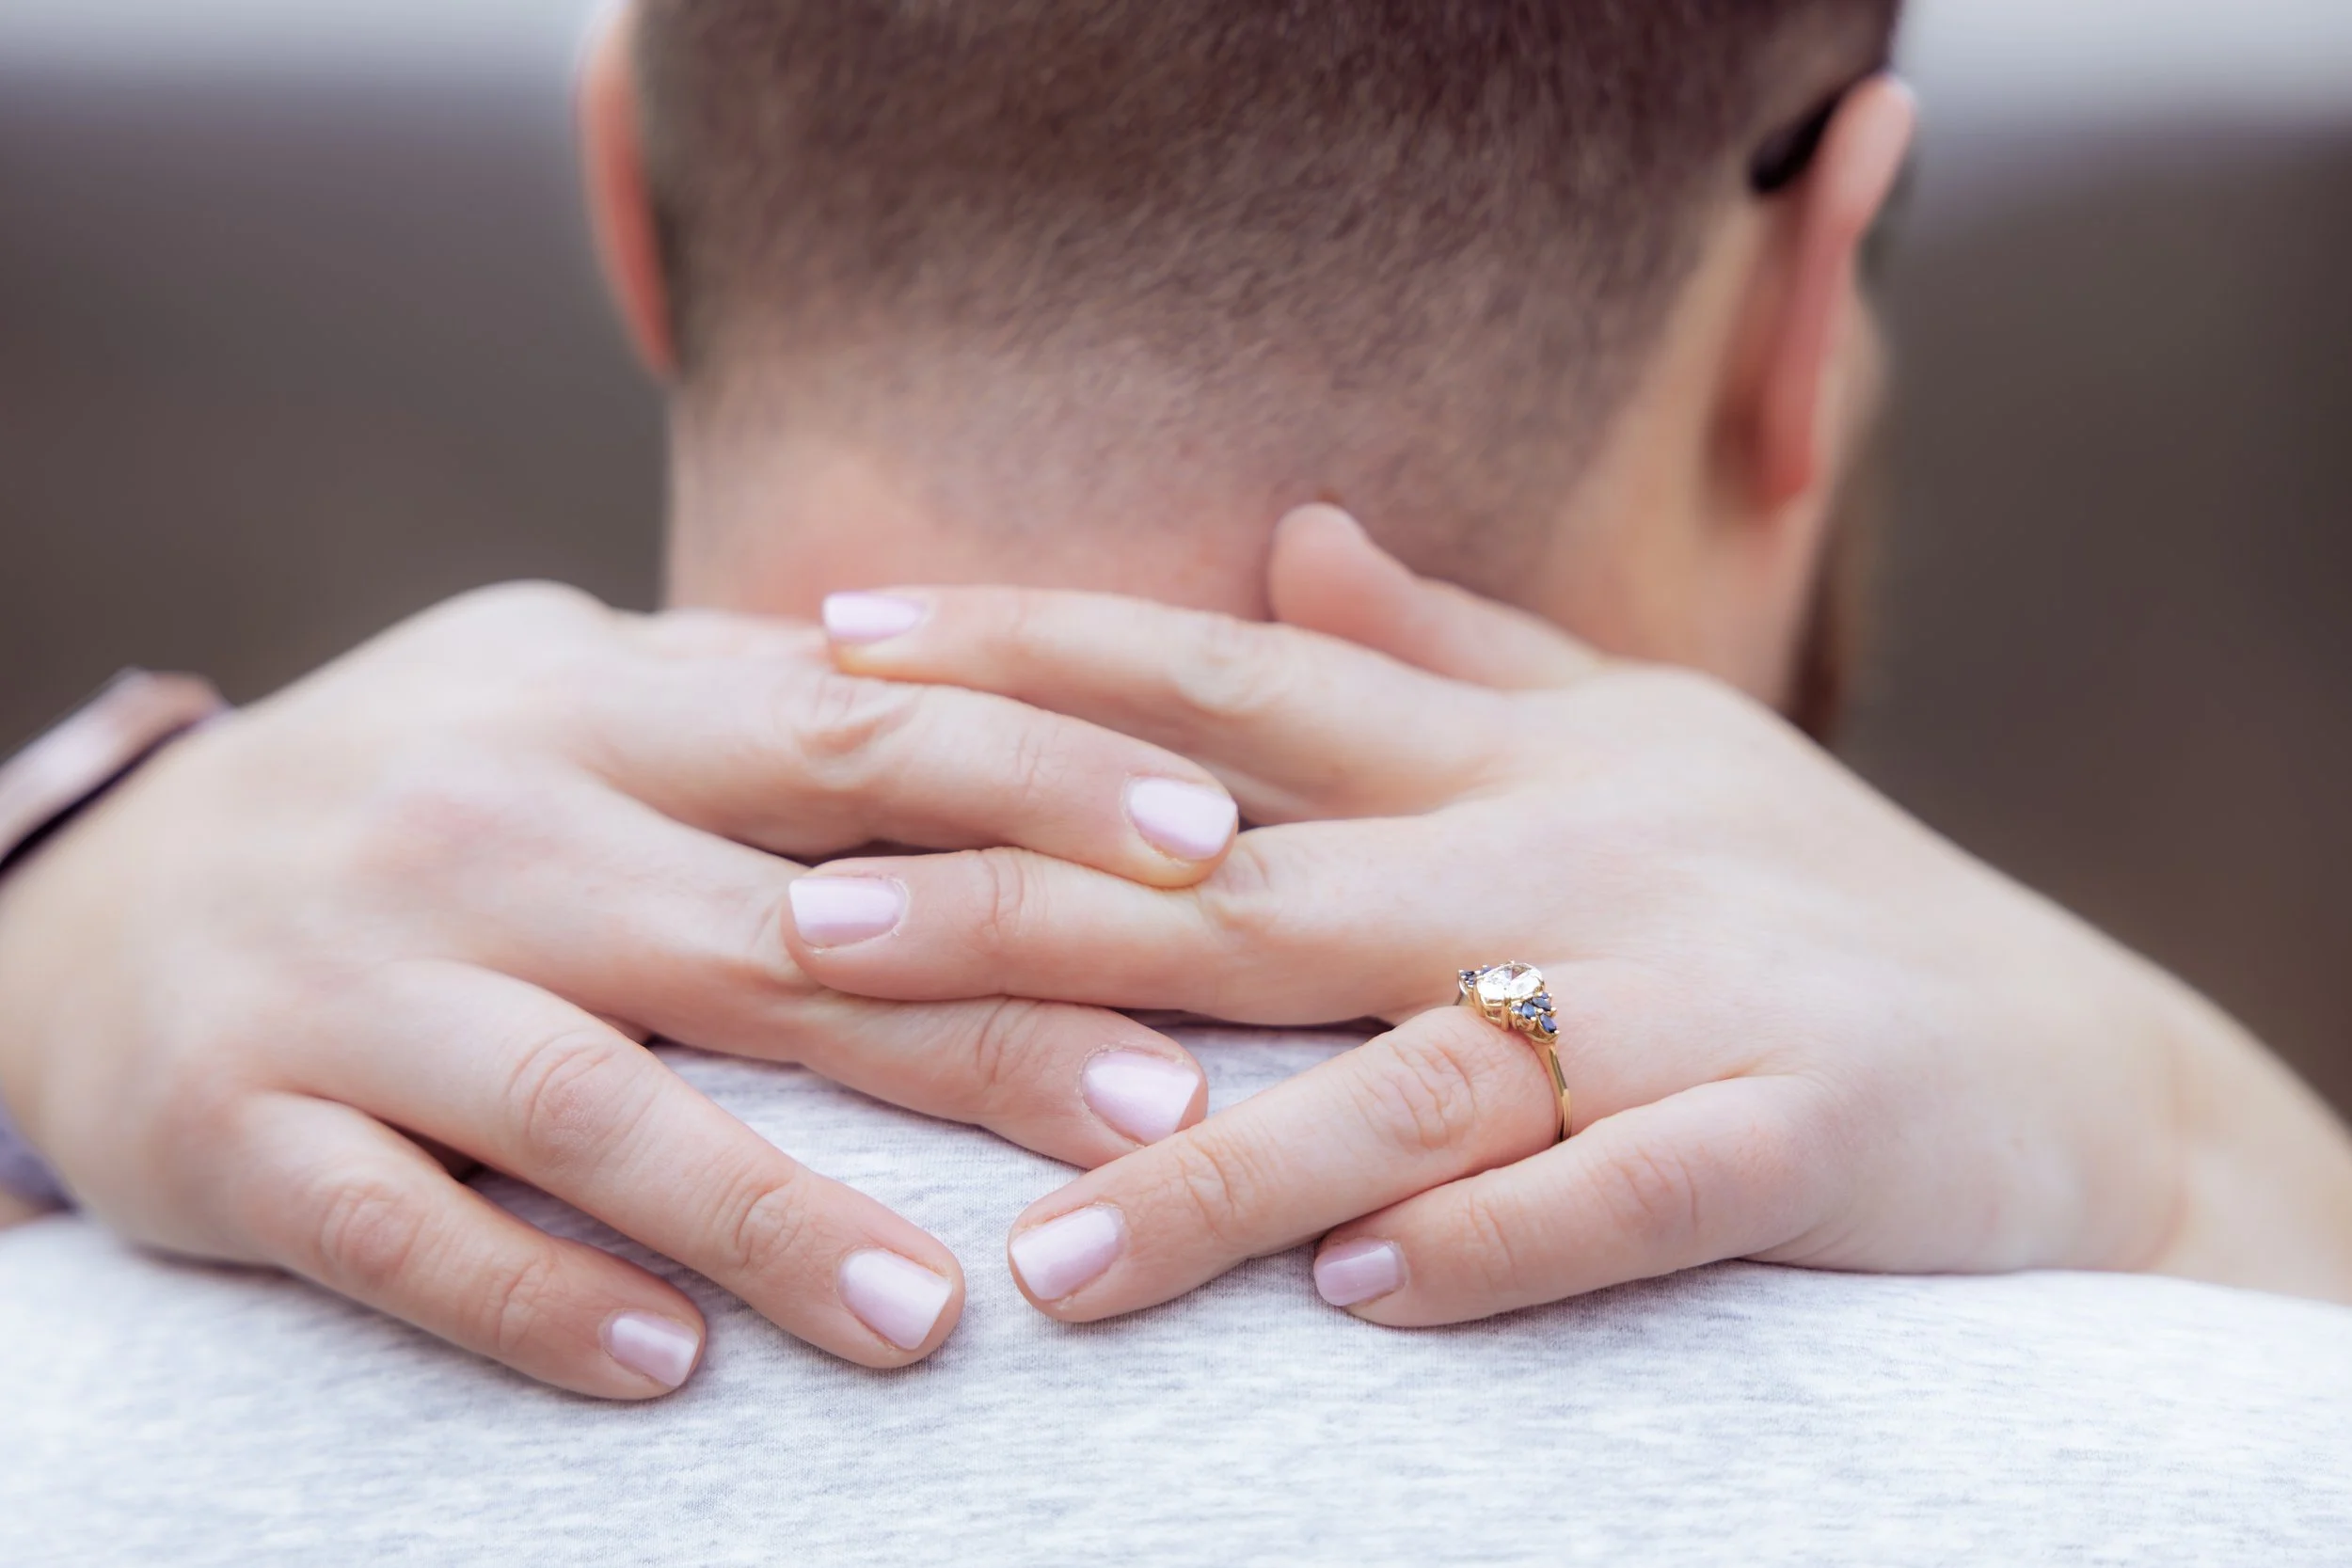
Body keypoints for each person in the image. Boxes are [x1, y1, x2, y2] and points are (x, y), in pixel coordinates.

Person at [3, 1, 2351, 1558]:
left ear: (630, 196)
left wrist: (50, 878)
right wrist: (2212, 1156)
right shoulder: (2249, 1457)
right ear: (1811, 299)